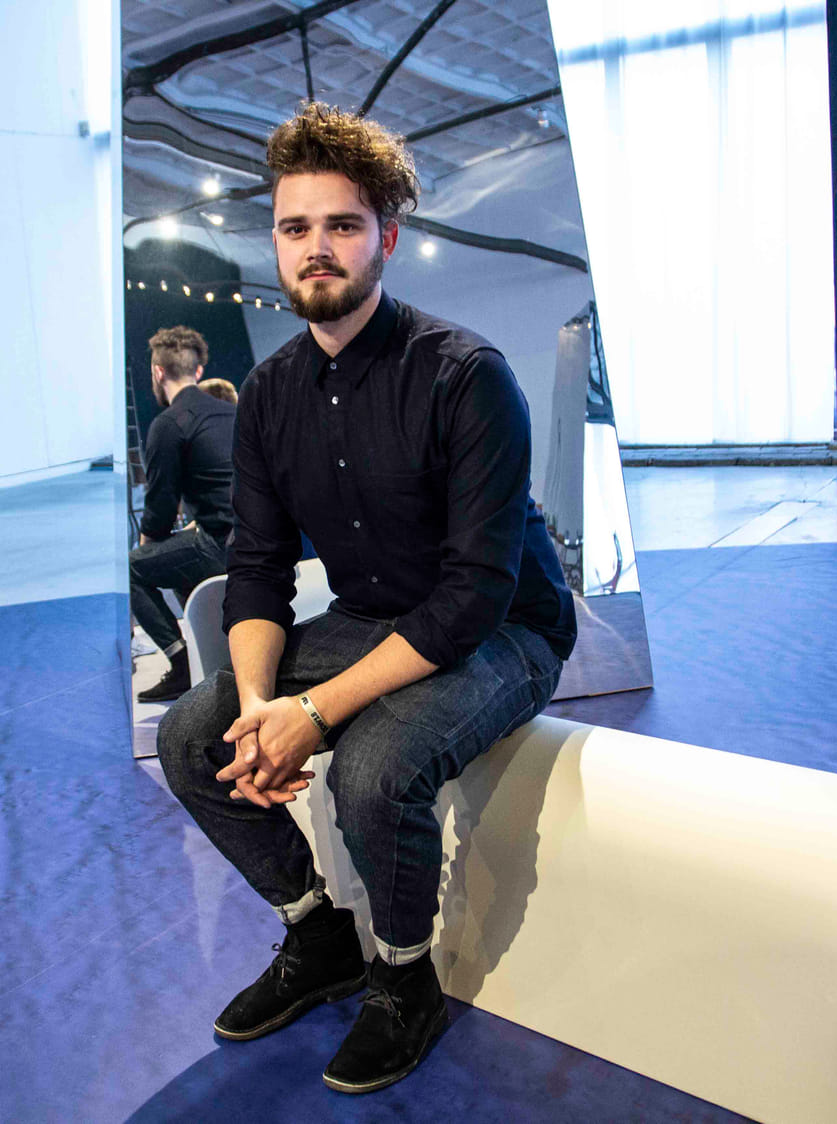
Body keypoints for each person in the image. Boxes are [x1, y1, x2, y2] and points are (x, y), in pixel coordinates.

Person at [156, 102, 576, 1096]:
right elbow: (258, 566)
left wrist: (312, 714)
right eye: (295, 227)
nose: (317, 247)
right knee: (189, 736)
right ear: (276, 242)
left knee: (374, 770)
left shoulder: (467, 375)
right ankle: (317, 932)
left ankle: (402, 977)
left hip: (505, 628)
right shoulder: (268, 395)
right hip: (369, 616)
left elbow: (474, 593)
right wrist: (259, 708)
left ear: (386, 237)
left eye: (342, 225)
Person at [131, 326, 235, 702]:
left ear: (158, 372)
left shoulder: (169, 423)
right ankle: (206, 651)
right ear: (198, 370)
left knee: (130, 569)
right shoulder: (233, 413)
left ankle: (181, 663)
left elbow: (159, 511)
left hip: (220, 546)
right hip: (262, 541)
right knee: (178, 554)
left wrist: (148, 550)